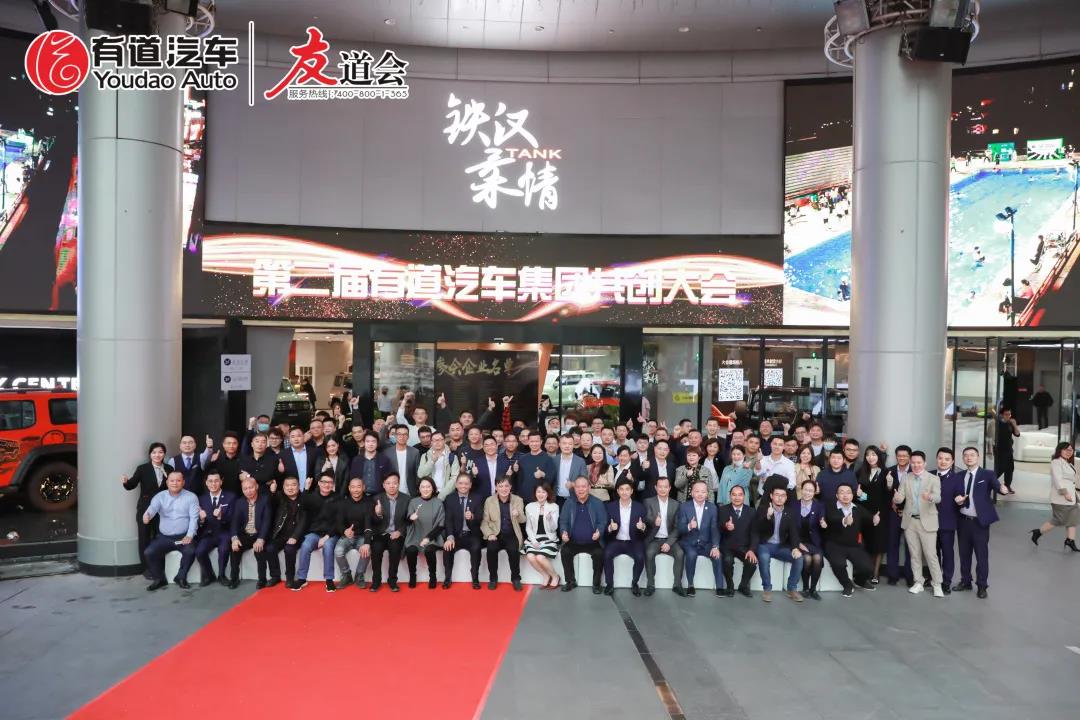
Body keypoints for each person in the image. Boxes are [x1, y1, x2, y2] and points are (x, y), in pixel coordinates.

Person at [953, 446, 1013, 598]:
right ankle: (966, 581)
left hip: (979, 523)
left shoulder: (987, 474)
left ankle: (982, 585)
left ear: (978, 457)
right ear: (963, 458)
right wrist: (957, 500)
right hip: (963, 521)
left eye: (972, 455)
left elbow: (997, 486)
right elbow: (955, 494)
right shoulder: (959, 476)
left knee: (981, 555)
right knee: (964, 554)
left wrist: (1003, 489)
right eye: (966, 455)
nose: (969, 458)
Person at [892, 451, 944, 598]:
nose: (916, 465)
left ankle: (937, 584)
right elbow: (900, 497)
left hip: (927, 521)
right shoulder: (906, 477)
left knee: (931, 555)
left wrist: (930, 497)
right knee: (914, 554)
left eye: (919, 462)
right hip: (910, 522)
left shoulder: (933, 478)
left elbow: (938, 497)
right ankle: (918, 582)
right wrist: (897, 498)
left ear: (924, 463)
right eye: (913, 462)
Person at [121, 442, 173, 579]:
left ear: (164, 454)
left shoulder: (169, 468)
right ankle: (146, 568)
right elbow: (131, 484)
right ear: (150, 454)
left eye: (160, 452)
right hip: (145, 509)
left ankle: (160, 566)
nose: (157, 455)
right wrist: (125, 482)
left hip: (163, 510)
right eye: (154, 452)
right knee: (144, 538)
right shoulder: (143, 469)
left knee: (160, 537)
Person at [142, 471, 199, 591]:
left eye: (178, 480)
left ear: (183, 482)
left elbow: (194, 518)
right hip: (165, 537)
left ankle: (181, 577)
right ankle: (159, 579)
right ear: (167, 482)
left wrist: (189, 535)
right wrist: (147, 516)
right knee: (149, 552)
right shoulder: (160, 496)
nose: (175, 483)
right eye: (172, 480)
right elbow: (152, 509)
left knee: (190, 551)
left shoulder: (191, 497)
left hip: (183, 536)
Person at [823, 483, 879, 598]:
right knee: (838, 564)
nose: (845, 495)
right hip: (834, 545)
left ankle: (859, 581)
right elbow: (832, 519)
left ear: (852, 495)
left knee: (868, 568)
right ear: (837, 495)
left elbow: (869, 517)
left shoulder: (857, 508)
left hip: (853, 545)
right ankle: (847, 585)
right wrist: (844, 520)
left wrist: (874, 518)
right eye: (842, 492)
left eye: (848, 492)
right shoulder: (830, 507)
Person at [750, 487, 805, 603]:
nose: (780, 498)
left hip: (781, 546)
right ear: (771, 496)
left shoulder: (790, 512)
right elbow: (757, 529)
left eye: (782, 495)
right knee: (764, 557)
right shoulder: (762, 509)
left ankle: (791, 589)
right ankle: (767, 589)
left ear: (786, 497)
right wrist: (768, 517)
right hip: (765, 545)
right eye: (777, 495)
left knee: (799, 558)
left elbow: (794, 533)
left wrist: (795, 548)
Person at [558, 476, 607, 593]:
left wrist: (599, 532)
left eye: (583, 486)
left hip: (593, 541)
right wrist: (564, 532)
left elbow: (602, 521)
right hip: (573, 541)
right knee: (565, 551)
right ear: (574, 488)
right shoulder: (569, 502)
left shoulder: (597, 503)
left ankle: (596, 584)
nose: (580, 489)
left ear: (589, 487)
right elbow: (563, 521)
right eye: (578, 487)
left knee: (599, 554)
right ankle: (570, 581)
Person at [676, 479, 725, 597]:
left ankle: (719, 587)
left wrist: (715, 546)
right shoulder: (684, 506)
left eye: (703, 492)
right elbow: (680, 528)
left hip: (706, 543)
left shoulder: (712, 507)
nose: (700, 494)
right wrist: (689, 526)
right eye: (697, 491)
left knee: (718, 556)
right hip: (689, 542)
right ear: (692, 492)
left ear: (707, 493)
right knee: (691, 555)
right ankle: (690, 585)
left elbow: (714, 528)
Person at [293, 472, 340, 592]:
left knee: (328, 546)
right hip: (314, 532)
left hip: (331, 534)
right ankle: (302, 578)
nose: (327, 485)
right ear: (319, 483)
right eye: (324, 482)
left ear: (333, 484)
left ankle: (329, 579)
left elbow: (339, 522)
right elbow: (301, 505)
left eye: (330, 482)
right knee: (305, 545)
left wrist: (327, 537)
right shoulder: (312, 496)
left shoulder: (338, 498)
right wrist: (306, 489)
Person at [602, 478, 648, 595]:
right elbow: (604, 529)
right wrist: (610, 528)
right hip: (616, 541)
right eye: (621, 489)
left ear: (632, 491)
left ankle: (635, 583)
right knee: (606, 554)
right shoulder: (610, 507)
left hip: (634, 541)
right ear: (617, 491)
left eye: (627, 489)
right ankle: (609, 584)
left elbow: (646, 529)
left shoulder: (640, 507)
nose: (624, 492)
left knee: (640, 557)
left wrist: (642, 527)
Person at [1031, 442, 1080, 551]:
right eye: (1066, 450)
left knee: (1073, 519)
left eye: (1071, 450)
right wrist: (1065, 493)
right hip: (1061, 498)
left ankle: (1070, 540)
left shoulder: (1068, 463)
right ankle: (1038, 532)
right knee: (1058, 520)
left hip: (1072, 497)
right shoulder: (1056, 462)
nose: (1069, 452)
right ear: (1060, 450)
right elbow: (1058, 480)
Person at [227, 476, 274, 589]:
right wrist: (234, 538)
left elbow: (267, 521)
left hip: (260, 534)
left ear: (256, 486)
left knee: (259, 550)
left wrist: (261, 539)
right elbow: (234, 522)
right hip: (246, 534)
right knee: (234, 548)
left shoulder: (265, 500)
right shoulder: (239, 502)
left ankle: (262, 579)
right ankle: (234, 579)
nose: (248, 491)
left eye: (251, 487)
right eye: (245, 489)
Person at [643, 476, 684, 597]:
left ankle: (677, 585)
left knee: (680, 553)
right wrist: (654, 522)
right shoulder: (648, 502)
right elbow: (646, 519)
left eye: (665, 487)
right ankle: (650, 584)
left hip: (670, 539)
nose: (662, 489)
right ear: (655, 488)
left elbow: (677, 527)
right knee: (649, 553)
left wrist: (669, 543)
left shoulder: (676, 504)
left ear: (669, 488)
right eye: (660, 487)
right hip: (654, 539)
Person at [481, 477, 525, 590]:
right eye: (500, 486)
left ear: (510, 487)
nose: (504, 489)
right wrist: (490, 534)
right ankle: (493, 578)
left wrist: (518, 514)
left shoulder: (518, 500)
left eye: (506, 486)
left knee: (514, 551)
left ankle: (516, 578)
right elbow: (484, 521)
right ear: (496, 487)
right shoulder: (489, 501)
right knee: (491, 549)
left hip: (512, 533)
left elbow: (523, 520)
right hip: (495, 534)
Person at [193, 470, 235, 587]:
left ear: (221, 482)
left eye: (216, 481)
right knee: (199, 551)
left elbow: (234, 519)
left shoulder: (231, 497)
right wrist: (201, 520)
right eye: (210, 481)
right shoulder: (201, 499)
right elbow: (199, 523)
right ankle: (209, 575)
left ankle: (221, 575)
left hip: (224, 532)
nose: (213, 484)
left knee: (224, 549)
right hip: (208, 533)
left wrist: (221, 517)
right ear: (206, 483)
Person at [442, 473, 483, 589]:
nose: (463, 486)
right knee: (447, 548)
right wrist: (450, 537)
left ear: (470, 485)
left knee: (476, 548)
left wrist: (472, 517)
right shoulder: (450, 498)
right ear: (456, 484)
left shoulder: (478, 498)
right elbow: (448, 520)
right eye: (460, 483)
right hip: (456, 535)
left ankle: (475, 578)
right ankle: (447, 578)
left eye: (466, 483)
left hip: (471, 534)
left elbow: (480, 517)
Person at [856, 445, 890, 583]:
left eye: (874, 454)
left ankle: (875, 573)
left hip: (880, 512)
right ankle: (866, 571)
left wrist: (889, 485)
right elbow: (858, 495)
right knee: (866, 542)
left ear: (879, 456)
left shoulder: (886, 472)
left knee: (878, 543)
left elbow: (887, 495)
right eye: (868, 455)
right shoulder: (861, 471)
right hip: (864, 512)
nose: (871, 457)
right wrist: (860, 496)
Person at [370, 473, 410, 592]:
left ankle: (392, 581)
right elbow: (372, 521)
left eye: (394, 483)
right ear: (383, 485)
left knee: (395, 548)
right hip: (380, 533)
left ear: (399, 484)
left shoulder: (407, 499)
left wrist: (400, 532)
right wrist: (378, 514)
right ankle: (376, 581)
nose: (391, 486)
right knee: (376, 549)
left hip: (396, 533)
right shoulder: (376, 499)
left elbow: (409, 521)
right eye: (388, 483)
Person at [333, 477, 375, 589]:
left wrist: (367, 542)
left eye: (359, 486)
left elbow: (368, 525)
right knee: (338, 551)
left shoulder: (369, 503)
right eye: (353, 487)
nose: (356, 490)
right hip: (348, 536)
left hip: (362, 536)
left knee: (367, 550)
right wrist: (344, 531)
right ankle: (346, 575)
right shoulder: (343, 503)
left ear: (363, 487)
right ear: (349, 488)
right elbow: (338, 523)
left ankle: (359, 575)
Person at [405, 477, 445, 589]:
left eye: (428, 487)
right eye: (423, 487)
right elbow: (407, 521)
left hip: (432, 537)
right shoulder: (413, 502)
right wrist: (411, 518)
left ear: (433, 488)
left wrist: (428, 538)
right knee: (411, 550)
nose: (425, 489)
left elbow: (441, 525)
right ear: (419, 489)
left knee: (429, 550)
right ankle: (412, 575)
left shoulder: (438, 503)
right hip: (415, 536)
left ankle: (433, 576)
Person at [717, 485, 756, 598]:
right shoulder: (723, 510)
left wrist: (752, 549)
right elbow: (718, 528)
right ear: (730, 496)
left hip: (744, 546)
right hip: (727, 546)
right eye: (734, 495)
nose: (737, 497)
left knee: (752, 562)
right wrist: (725, 526)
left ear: (744, 496)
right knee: (727, 560)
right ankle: (730, 586)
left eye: (740, 495)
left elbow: (755, 533)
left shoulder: (752, 511)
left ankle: (743, 586)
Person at [884, 445, 915, 587]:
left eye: (905, 456)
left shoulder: (915, 471)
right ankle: (892, 575)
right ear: (896, 456)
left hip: (910, 514)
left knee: (911, 546)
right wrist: (892, 503)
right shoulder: (889, 471)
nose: (902, 458)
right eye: (899, 455)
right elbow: (884, 492)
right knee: (892, 544)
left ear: (909, 457)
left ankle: (910, 575)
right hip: (893, 514)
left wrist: (907, 508)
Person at [933, 447, 963, 594]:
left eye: (947, 459)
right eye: (940, 458)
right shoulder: (929, 475)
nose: (943, 461)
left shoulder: (957, 478)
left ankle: (946, 581)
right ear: (936, 459)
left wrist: (960, 501)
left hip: (947, 522)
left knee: (947, 553)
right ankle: (935, 578)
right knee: (932, 553)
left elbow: (960, 496)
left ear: (952, 462)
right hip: (929, 522)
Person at [523, 482, 562, 589]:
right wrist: (533, 541)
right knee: (530, 556)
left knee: (540, 557)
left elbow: (554, 528)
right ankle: (545, 576)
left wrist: (550, 520)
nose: (540, 494)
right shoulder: (529, 506)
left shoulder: (554, 506)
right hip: (534, 538)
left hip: (549, 538)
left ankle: (555, 576)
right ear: (535, 493)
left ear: (548, 493)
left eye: (543, 492)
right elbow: (528, 527)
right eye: (538, 492)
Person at [793, 479, 825, 600]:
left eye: (811, 491)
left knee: (817, 558)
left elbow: (822, 520)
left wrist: (823, 524)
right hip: (798, 541)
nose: (807, 493)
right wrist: (798, 544)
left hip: (814, 542)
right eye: (806, 490)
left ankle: (813, 589)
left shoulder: (819, 506)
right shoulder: (793, 505)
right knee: (806, 559)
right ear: (801, 490)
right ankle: (806, 588)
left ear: (814, 492)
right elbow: (789, 529)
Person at [270, 476, 303, 588]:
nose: (290, 488)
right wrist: (272, 492)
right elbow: (270, 504)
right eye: (287, 485)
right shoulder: (279, 497)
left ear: (299, 486)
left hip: (296, 536)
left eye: (293, 485)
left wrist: (295, 536)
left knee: (289, 549)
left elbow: (304, 521)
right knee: (270, 548)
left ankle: (289, 577)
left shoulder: (304, 499)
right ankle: (275, 576)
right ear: (283, 487)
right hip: (281, 534)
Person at [515, 434, 556, 507]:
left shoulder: (548, 459)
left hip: (540, 499)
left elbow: (552, 479)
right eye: (532, 441)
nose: (534, 444)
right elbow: (519, 479)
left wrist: (543, 474)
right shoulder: (523, 458)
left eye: (536, 441)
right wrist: (515, 469)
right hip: (523, 498)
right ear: (528, 442)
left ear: (541, 442)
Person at [418, 431, 460, 498]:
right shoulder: (425, 456)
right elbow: (420, 474)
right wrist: (432, 461)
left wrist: (442, 495)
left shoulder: (452, 457)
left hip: (446, 494)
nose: (437, 442)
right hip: (429, 494)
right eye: (434, 440)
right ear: (431, 442)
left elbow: (455, 478)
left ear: (444, 440)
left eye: (440, 440)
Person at [350, 432, 392, 496]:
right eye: (368, 441)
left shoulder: (384, 460)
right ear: (364, 443)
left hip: (379, 495)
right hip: (360, 495)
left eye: (373, 441)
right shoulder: (356, 460)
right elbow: (352, 479)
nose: (370, 444)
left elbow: (388, 479)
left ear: (377, 443)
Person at [383, 424, 421, 496]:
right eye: (399, 434)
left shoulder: (415, 452)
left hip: (410, 492)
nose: (402, 437)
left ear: (408, 436)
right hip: (392, 491)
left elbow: (417, 474)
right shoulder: (387, 453)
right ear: (395, 436)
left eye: (405, 434)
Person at [280, 428, 316, 493]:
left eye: (299, 436)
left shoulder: (313, 452)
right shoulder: (283, 454)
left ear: (304, 437)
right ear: (289, 439)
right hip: (291, 493)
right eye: (292, 436)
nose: (296, 439)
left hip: (311, 491)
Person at [554, 435, 587, 505]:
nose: (567, 446)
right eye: (564, 443)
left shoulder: (580, 461)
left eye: (570, 444)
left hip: (574, 498)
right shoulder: (554, 460)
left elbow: (585, 481)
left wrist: (573, 484)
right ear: (559, 444)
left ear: (573, 445)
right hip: (556, 498)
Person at [993, 407, 1021, 492]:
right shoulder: (998, 423)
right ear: (1002, 415)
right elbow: (993, 413)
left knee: (1010, 468)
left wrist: (1014, 424)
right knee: (1001, 468)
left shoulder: (1010, 424)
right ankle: (989, 482)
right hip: (1000, 449)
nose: (1008, 416)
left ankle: (1007, 485)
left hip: (1008, 449)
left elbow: (1017, 434)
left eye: (1009, 414)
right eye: (1006, 414)